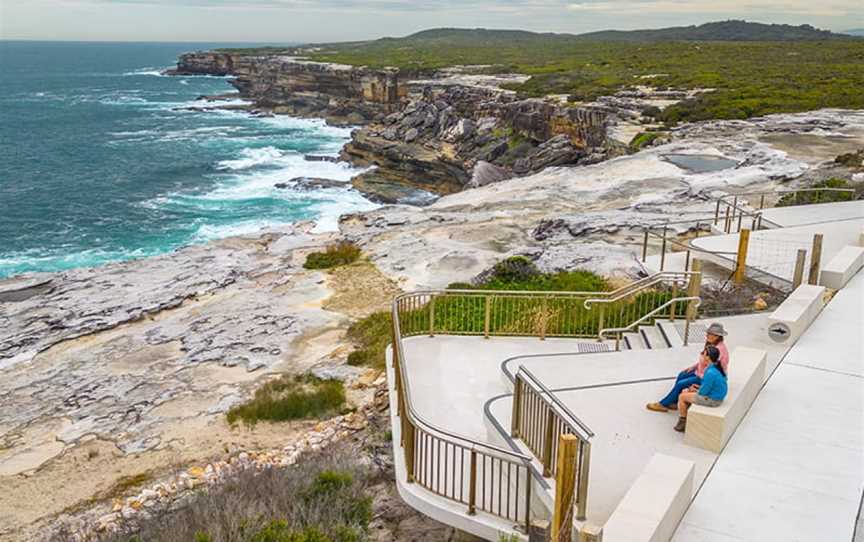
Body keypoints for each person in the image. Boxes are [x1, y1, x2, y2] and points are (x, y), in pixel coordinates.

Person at [646, 322, 729, 413]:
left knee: (681, 384)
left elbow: (712, 367)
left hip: (705, 377)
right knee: (682, 375)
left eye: (710, 334)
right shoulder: (712, 344)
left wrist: (698, 376)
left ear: (717, 336)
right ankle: (673, 401)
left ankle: (663, 404)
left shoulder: (719, 350)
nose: (707, 335)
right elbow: (705, 361)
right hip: (700, 372)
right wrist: (693, 367)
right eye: (708, 333)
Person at [674, 345, 728, 432]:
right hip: (715, 395)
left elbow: (703, 392)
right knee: (686, 391)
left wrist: (694, 390)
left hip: (713, 400)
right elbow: (709, 386)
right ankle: (686, 415)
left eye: (704, 354)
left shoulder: (710, 372)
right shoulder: (716, 367)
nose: (702, 356)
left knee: (682, 396)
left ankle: (682, 421)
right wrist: (697, 388)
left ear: (708, 357)